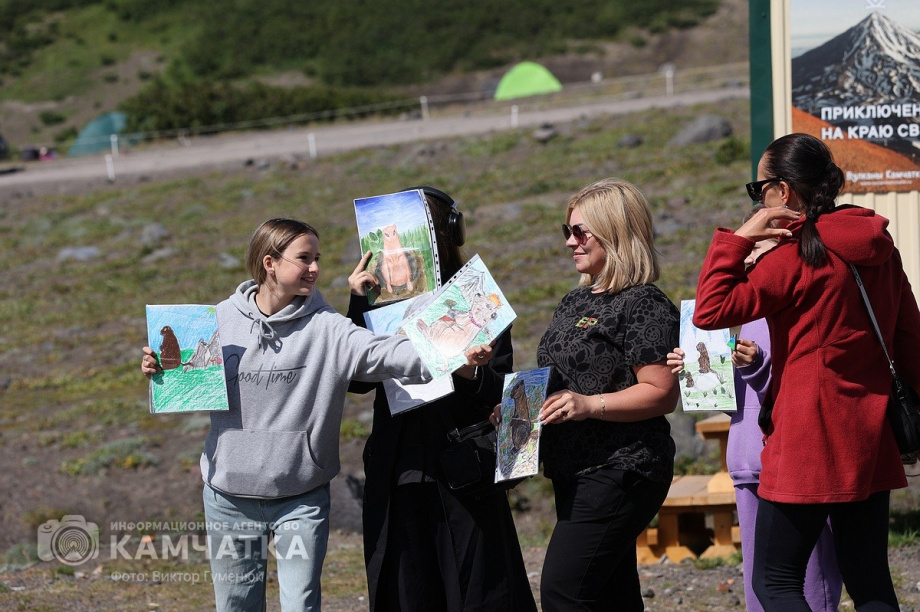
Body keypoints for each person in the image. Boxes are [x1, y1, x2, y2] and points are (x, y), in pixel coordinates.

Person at [140, 218, 480, 612]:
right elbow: (186, 381)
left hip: (300, 499)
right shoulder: (219, 321)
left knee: (301, 606)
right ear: (270, 263)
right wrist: (160, 369)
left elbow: (386, 354)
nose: (316, 268)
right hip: (228, 498)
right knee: (236, 606)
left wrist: (453, 353)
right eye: (304, 258)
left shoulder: (329, 329)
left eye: (317, 257)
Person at [692, 133, 920, 611]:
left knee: (775, 582)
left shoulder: (793, 258)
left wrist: (742, 236)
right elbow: (911, 344)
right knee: (870, 580)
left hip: (806, 440)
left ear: (784, 191)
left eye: (759, 192)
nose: (757, 202)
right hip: (869, 435)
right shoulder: (880, 248)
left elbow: (711, 310)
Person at [347, 186, 536, 612]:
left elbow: (498, 389)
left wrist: (469, 369)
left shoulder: (471, 295)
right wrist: (358, 303)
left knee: (479, 590)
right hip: (400, 469)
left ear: (444, 234)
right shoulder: (376, 299)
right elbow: (356, 380)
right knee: (408, 591)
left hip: (464, 467)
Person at [667, 237, 842, 612]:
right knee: (758, 582)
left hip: (794, 465)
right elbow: (734, 394)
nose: (750, 257)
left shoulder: (798, 302)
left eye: (759, 247)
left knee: (807, 579)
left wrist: (759, 364)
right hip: (748, 461)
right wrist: (699, 374)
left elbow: (804, 388)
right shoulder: (740, 309)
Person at [534, 178, 680, 612]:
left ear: (615, 232)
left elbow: (661, 393)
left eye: (580, 232)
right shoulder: (574, 301)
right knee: (610, 595)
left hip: (622, 466)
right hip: (572, 467)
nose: (570, 243)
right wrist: (513, 411)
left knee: (564, 592)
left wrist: (587, 405)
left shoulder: (643, 303)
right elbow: (557, 378)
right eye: (567, 232)